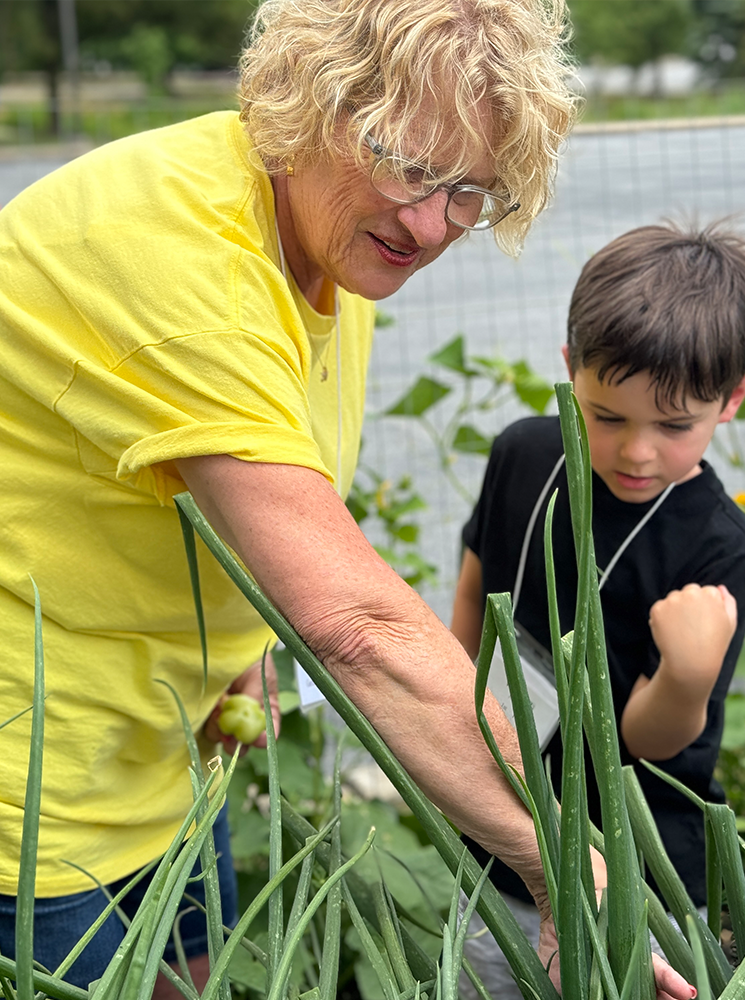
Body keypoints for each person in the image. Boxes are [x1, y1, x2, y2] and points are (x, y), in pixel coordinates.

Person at [0, 2, 692, 997]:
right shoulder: (186, 263)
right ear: (307, 98)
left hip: (161, 743)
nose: (428, 224)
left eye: (471, 193)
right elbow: (358, 630)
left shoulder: (330, 246)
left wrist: (236, 646)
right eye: (408, 165)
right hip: (30, 781)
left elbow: (219, 482)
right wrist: (565, 869)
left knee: (197, 976)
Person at [450, 220, 745, 998]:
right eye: (607, 416)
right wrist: (450, 715)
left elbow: (647, 741)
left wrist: (690, 677)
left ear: (733, 398)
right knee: (490, 977)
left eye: (675, 426)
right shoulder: (523, 453)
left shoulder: (718, 545)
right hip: (507, 841)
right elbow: (473, 586)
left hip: (640, 866)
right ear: (570, 370)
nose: (637, 452)